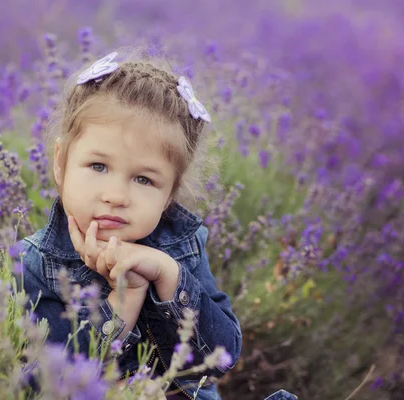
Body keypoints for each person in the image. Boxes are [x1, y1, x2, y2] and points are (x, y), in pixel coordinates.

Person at [19, 50, 242, 400]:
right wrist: (125, 301)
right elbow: (42, 383)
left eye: (143, 180)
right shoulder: (33, 266)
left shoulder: (182, 246)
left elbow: (220, 357)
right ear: (60, 163)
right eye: (98, 166)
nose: (116, 195)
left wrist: (168, 275)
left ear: (169, 195)